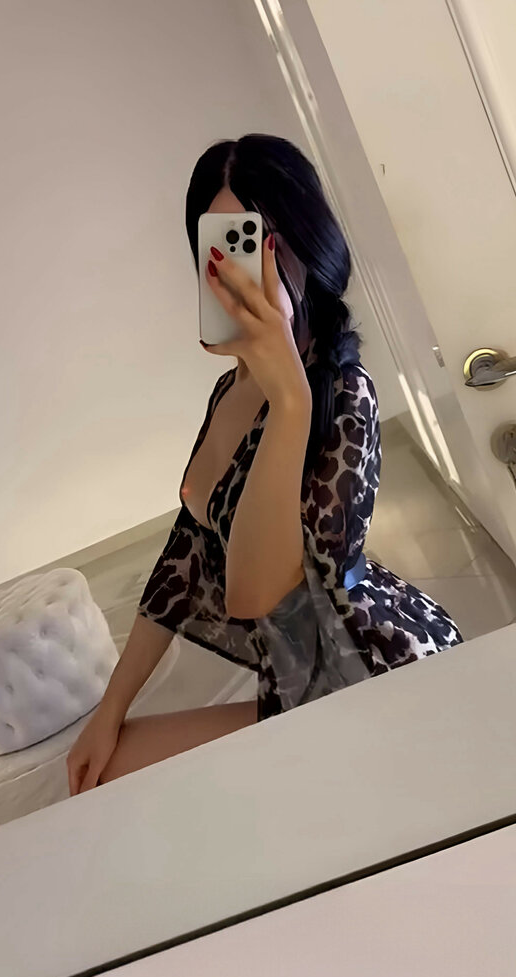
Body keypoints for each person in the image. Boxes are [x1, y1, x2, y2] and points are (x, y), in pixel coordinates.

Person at [67, 134, 463, 797]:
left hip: (371, 677)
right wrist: (109, 710)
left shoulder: (344, 397)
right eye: (219, 246)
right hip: (294, 681)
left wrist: (290, 401)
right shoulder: (230, 389)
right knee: (100, 772)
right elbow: (185, 554)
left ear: (305, 247)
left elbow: (254, 595)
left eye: (256, 242)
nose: (236, 271)